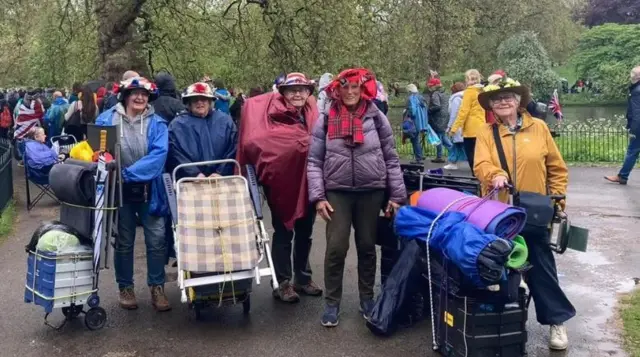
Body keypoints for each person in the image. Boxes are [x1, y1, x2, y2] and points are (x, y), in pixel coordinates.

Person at [473, 77, 574, 351]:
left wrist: (558, 202)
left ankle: (556, 321)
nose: (504, 102)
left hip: (535, 210)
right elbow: (480, 163)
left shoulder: (539, 127)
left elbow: (557, 168)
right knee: (498, 264)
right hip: (499, 212)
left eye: (509, 97)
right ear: (491, 106)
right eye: (497, 99)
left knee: (541, 265)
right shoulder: (486, 132)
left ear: (519, 102)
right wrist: (495, 174)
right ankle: (499, 323)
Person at [307, 68, 406, 327]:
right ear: (337, 90)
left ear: (363, 90)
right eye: (345, 87)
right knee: (336, 248)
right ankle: (332, 302)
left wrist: (396, 195)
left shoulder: (376, 116)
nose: (350, 92)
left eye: (355, 87)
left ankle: (366, 298)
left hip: (371, 191)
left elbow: (391, 158)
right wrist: (318, 197)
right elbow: (314, 161)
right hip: (337, 191)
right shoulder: (326, 118)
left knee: (366, 246)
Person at [238, 72, 322, 303]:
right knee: (284, 232)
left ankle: (303, 279)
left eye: (302, 89)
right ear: (283, 92)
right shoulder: (272, 115)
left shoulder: (312, 112)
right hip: (282, 184)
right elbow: (256, 142)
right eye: (292, 89)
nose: (298, 93)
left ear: (308, 92)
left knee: (306, 232)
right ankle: (282, 282)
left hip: (310, 181)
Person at [95, 77, 170, 312]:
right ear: (125, 95)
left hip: (150, 190)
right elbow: (98, 151)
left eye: (144, 94)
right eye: (135, 93)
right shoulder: (107, 120)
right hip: (119, 192)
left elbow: (159, 155)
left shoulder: (158, 124)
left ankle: (157, 287)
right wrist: (110, 166)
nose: (140, 97)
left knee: (156, 241)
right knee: (124, 241)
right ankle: (125, 287)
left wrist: (128, 173)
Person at [167, 82, 238, 178]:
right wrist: (195, 174)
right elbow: (175, 153)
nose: (199, 102)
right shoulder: (177, 125)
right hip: (189, 182)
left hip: (224, 179)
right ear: (189, 103)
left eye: (204, 99)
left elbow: (234, 147)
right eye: (195, 99)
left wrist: (220, 172)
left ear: (210, 101)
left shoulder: (225, 121)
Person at [605, 66, 640, 185]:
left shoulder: (637, 91)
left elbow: (637, 113)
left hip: (638, 127)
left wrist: (633, 130)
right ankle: (622, 176)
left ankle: (622, 176)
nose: (631, 77)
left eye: (632, 75)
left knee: (632, 151)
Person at [449, 69, 486, 171]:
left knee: (472, 156)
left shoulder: (469, 92)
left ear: (467, 79)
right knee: (481, 156)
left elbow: (463, 111)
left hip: (471, 130)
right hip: (482, 127)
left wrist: (454, 128)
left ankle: (476, 177)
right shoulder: (483, 91)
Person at [426, 78, 451, 163]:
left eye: (430, 86)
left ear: (434, 86)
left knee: (438, 138)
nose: (429, 87)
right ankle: (454, 152)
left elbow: (437, 106)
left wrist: (428, 110)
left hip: (437, 119)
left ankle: (439, 156)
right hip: (445, 117)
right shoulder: (445, 92)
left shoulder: (435, 94)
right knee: (443, 137)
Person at [444, 82, 467, 170]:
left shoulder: (456, 99)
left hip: (457, 126)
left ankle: (453, 162)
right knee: (460, 146)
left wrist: (449, 126)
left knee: (456, 144)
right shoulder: (465, 97)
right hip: (464, 125)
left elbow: (454, 113)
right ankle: (453, 162)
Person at [405, 83, 427, 164]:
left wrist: (407, 113)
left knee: (414, 140)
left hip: (413, 121)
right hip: (421, 121)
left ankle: (418, 158)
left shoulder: (411, 98)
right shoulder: (421, 97)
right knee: (416, 139)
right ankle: (420, 156)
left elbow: (412, 111)